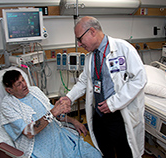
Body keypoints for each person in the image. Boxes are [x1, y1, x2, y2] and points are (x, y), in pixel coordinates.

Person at [59, 16, 147, 158]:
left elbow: (139, 79)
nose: (79, 44)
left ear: (92, 31)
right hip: (99, 114)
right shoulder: (90, 57)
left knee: (125, 152)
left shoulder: (123, 49)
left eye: (80, 39)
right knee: (105, 150)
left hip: (120, 114)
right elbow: (83, 82)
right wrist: (69, 98)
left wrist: (113, 103)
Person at [0, 70, 102, 158]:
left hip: (59, 136)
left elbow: (55, 113)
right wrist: (52, 113)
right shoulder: (8, 106)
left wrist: (73, 121)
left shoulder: (34, 91)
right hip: (40, 146)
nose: (24, 85)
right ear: (9, 90)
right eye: (18, 84)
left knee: (93, 154)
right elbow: (29, 132)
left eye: (23, 80)